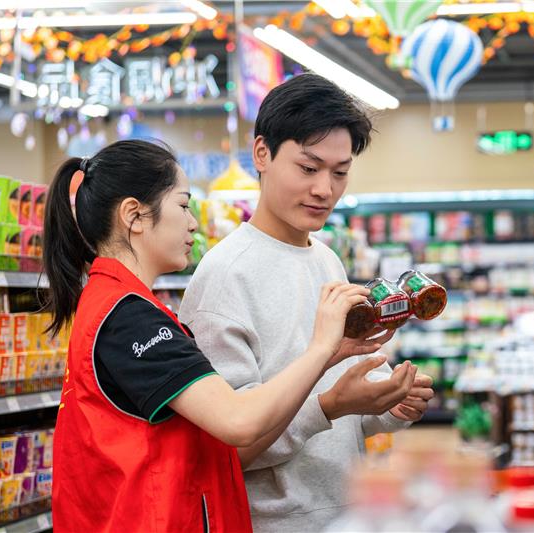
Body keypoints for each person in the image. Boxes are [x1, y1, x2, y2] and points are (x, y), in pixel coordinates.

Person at [45, 139, 417, 532]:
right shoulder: (129, 317)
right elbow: (238, 422)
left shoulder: (119, 305)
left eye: (340, 171)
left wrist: (332, 361)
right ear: (134, 216)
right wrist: (321, 350)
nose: (193, 223)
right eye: (183, 205)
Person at [179, 73, 435, 532]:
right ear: (262, 154)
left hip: (347, 514)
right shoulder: (225, 277)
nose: (325, 189)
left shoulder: (326, 259)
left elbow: (335, 417)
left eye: (340, 172)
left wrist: (386, 407)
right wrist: (330, 406)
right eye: (308, 168)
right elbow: (227, 449)